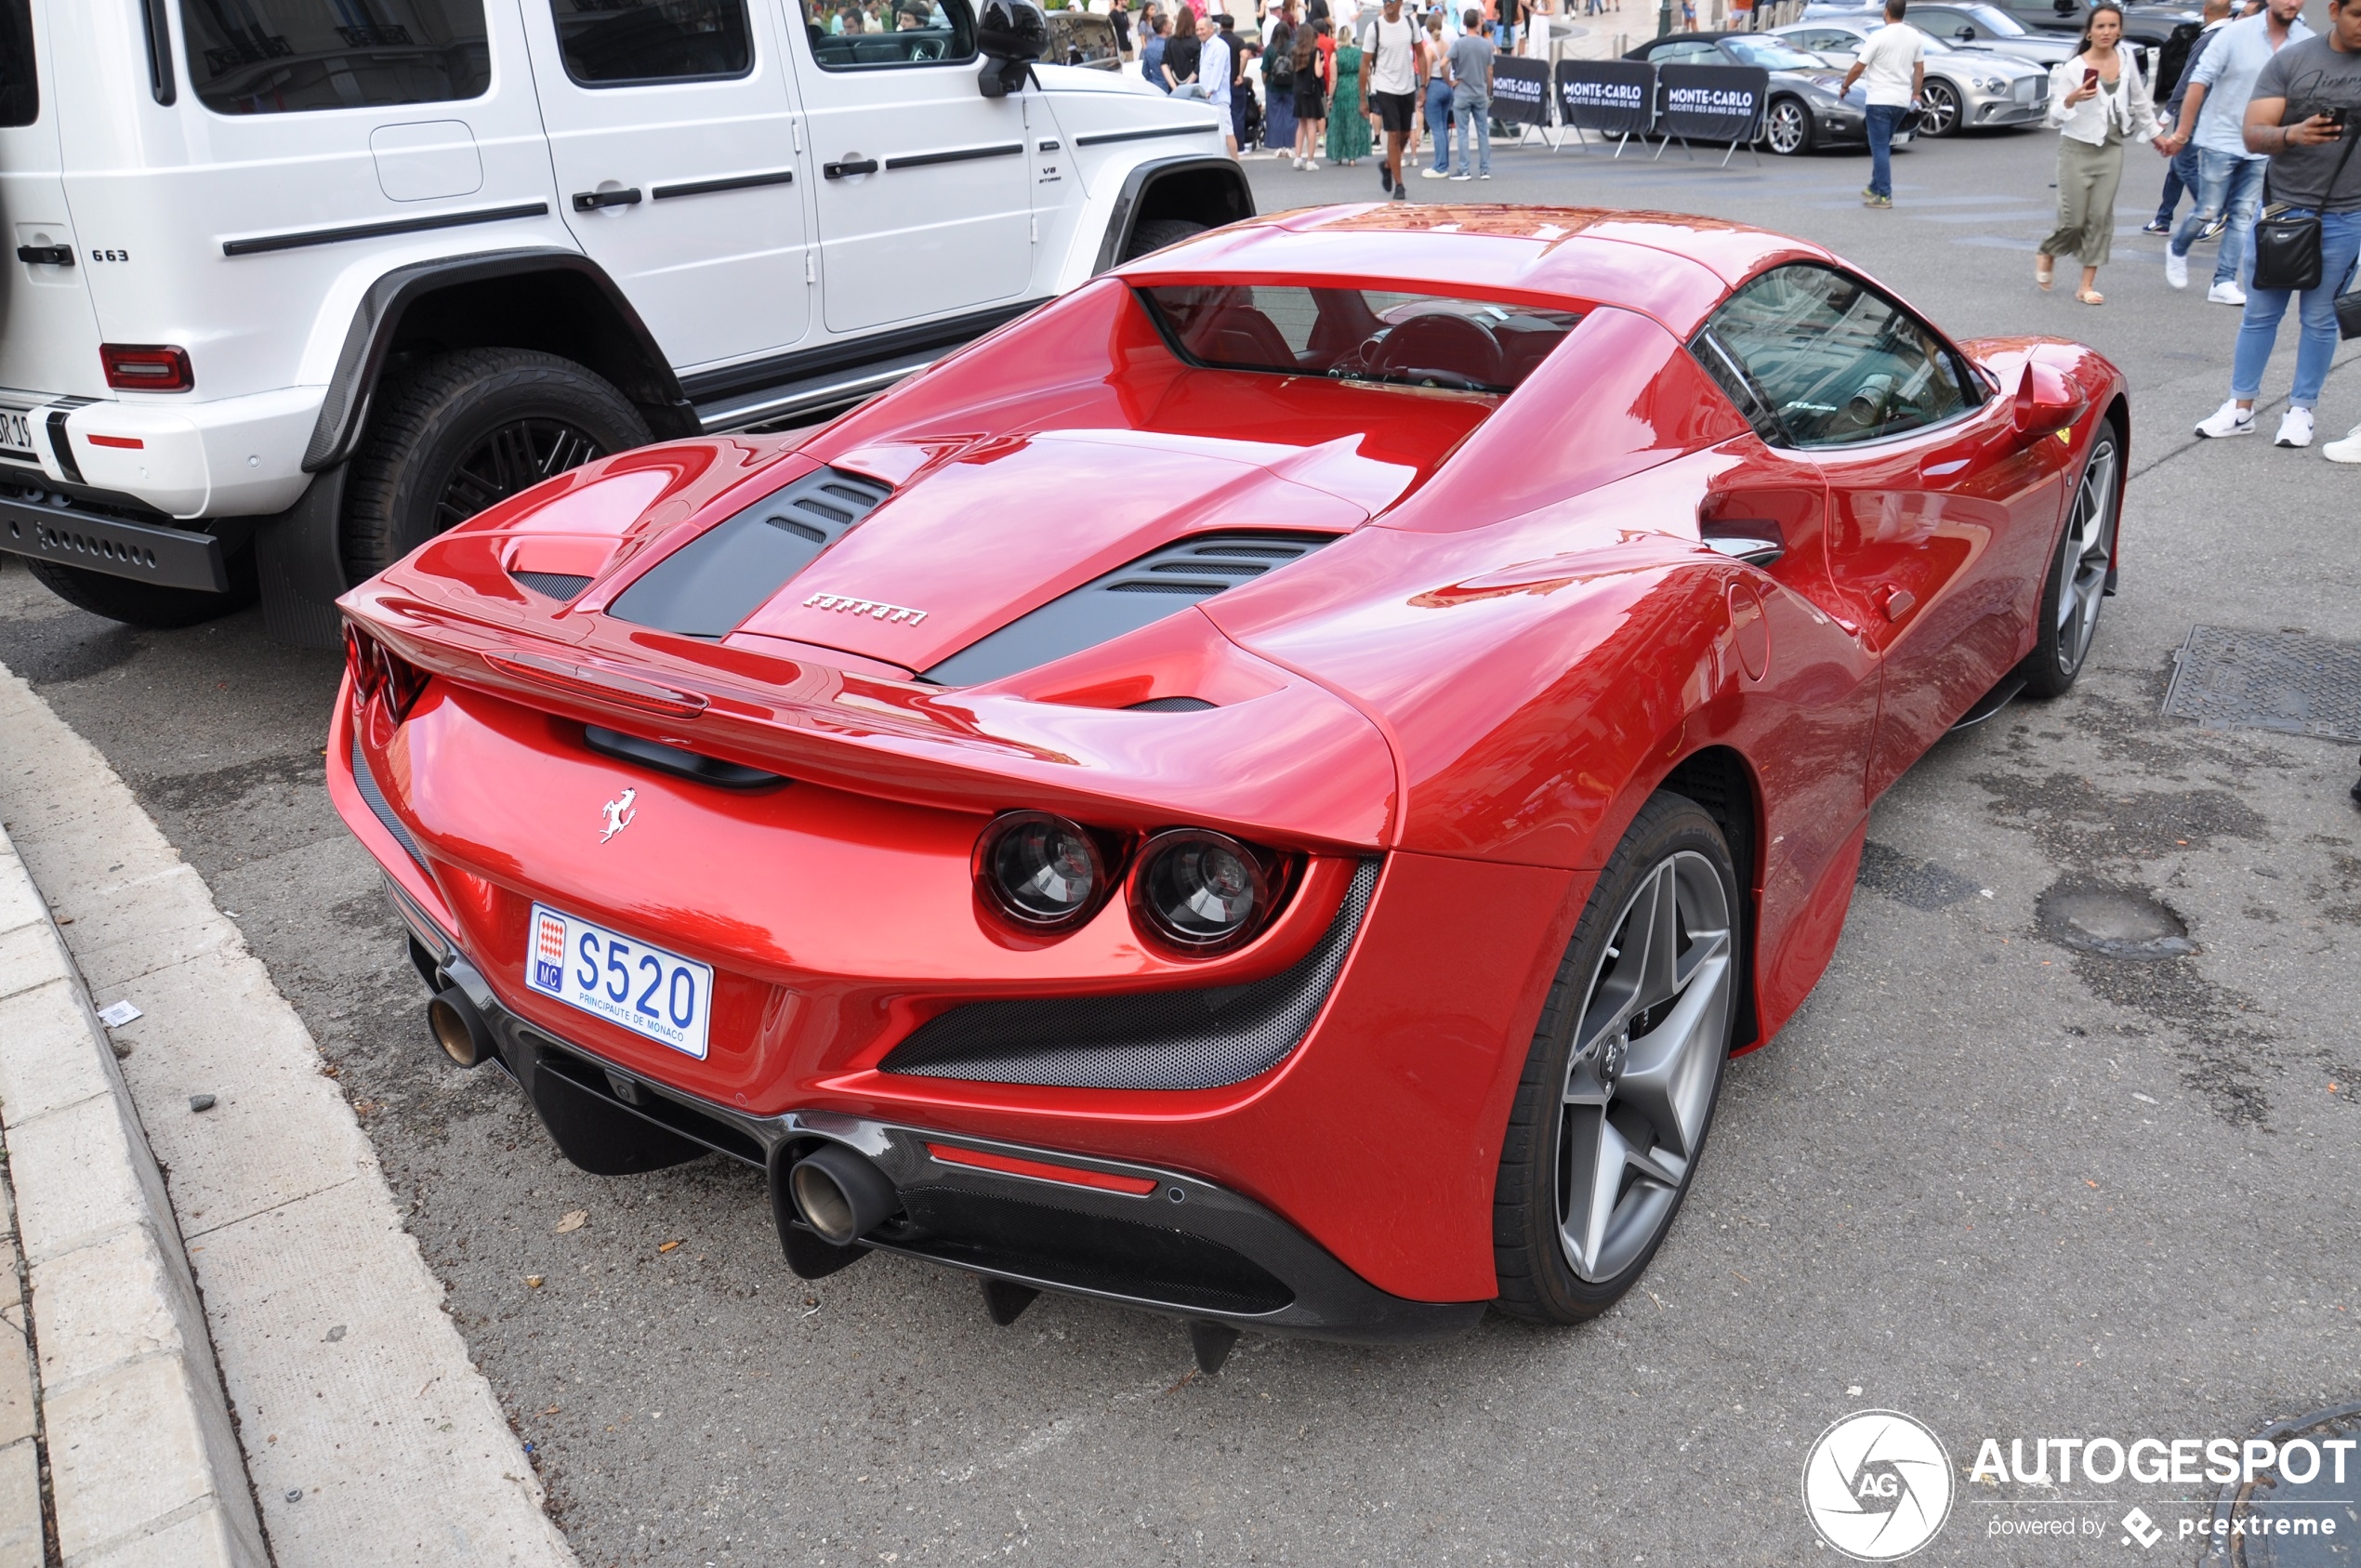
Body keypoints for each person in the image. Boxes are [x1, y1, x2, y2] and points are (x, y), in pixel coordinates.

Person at [2193, 0, 2361, 453]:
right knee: (2261, 313)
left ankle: (2302, 410)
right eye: (2357, 14)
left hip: (2347, 213)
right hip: (2284, 211)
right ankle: (2240, 407)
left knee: (2321, 319)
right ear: (2335, 11)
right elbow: (2254, 133)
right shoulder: (2294, 60)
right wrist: (2295, 133)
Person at [2157, 0, 2312, 304]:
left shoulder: (2306, 41)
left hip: (2263, 142)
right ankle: (2177, 248)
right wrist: (2182, 133)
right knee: (2209, 210)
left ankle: (2223, 281)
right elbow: (2198, 81)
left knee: (2242, 215)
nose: (2292, 2)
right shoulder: (2235, 34)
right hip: (2221, 137)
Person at [2036, 2, 2158, 304]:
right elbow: (2052, 117)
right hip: (2077, 147)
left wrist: (2157, 135)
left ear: (2120, 31)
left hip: (2111, 147)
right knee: (2073, 220)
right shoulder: (2074, 68)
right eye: (2100, 26)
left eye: (2112, 26)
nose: (2107, 32)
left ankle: (2086, 286)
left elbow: (2140, 100)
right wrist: (2072, 99)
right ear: (2089, 32)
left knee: (2101, 217)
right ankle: (2049, 250)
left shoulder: (2125, 57)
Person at [2146, 0, 2234, 234]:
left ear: (2205, 11)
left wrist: (2165, 116)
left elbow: (2187, 80)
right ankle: (2163, 218)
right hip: (2219, 109)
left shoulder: (2206, 40)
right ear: (2229, 11)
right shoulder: (2233, 36)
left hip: (2194, 111)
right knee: (2178, 164)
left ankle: (2216, 212)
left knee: (2185, 164)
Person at [1841, 0, 1924, 210]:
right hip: (1901, 101)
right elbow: (1920, 69)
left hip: (1879, 99)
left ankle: (1884, 195)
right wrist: (1916, 93)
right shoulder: (1915, 36)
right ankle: (1873, 186)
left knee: (1879, 148)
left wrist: (1845, 85)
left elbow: (1859, 68)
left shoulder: (1878, 37)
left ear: (1886, 12)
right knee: (1883, 146)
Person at [1362, 0, 1420, 197]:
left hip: (1407, 86)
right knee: (1394, 134)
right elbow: (1365, 64)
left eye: (1391, 0)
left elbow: (1420, 54)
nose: (1388, 3)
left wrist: (1425, 86)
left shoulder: (1411, 25)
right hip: (1385, 87)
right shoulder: (1375, 28)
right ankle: (1399, 184)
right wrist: (1363, 97)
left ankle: (1388, 165)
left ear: (1400, 3)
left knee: (1405, 134)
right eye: (1385, 1)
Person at [1447, 5, 1495, 178]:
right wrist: (1489, 91)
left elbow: (1444, 61)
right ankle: (1485, 169)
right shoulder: (1486, 45)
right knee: (1483, 132)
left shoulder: (1459, 44)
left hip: (1463, 90)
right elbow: (1490, 71)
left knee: (1463, 132)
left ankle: (1464, 168)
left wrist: (1450, 81)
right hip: (1480, 90)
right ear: (1477, 23)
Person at [1327, 18, 1371, 164]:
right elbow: (1366, 72)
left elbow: (1333, 79)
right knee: (1354, 123)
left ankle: (1338, 155)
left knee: (1340, 123)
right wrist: (1366, 90)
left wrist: (1330, 97)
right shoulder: (1359, 52)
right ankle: (1353, 157)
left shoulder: (1336, 55)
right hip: (1356, 88)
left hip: (1341, 90)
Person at [1421, 11, 1456, 175]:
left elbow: (1426, 75)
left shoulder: (1429, 50)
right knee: (1443, 127)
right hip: (1446, 86)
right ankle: (1444, 163)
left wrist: (1423, 89)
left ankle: (1440, 166)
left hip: (1434, 86)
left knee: (1436, 129)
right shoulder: (1447, 46)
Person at [1293, 20, 1331, 166]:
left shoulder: (1294, 51)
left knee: (1301, 124)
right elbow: (1318, 72)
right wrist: (1321, 65)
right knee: (1311, 124)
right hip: (1311, 90)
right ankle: (1310, 159)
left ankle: (1297, 157)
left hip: (1298, 90)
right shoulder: (1315, 52)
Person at [1264, 4, 1299, 152]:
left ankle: (1277, 144)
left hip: (1274, 86)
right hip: (1291, 86)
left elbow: (1265, 70)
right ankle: (1291, 143)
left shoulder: (1270, 48)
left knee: (1275, 116)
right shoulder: (1293, 47)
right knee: (1291, 115)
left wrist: (1266, 83)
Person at [1165, 2, 1203, 92]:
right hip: (1193, 84)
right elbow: (1198, 66)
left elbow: (1164, 64)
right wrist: (1187, 84)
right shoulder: (1197, 41)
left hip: (1174, 82)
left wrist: (1174, 88)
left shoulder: (1169, 41)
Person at [1141, 10, 1171, 86]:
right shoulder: (1170, 45)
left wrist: (1153, 81)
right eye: (1170, 23)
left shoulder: (1149, 47)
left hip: (1157, 85)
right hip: (1171, 86)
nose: (1172, 25)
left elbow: (1145, 71)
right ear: (1165, 28)